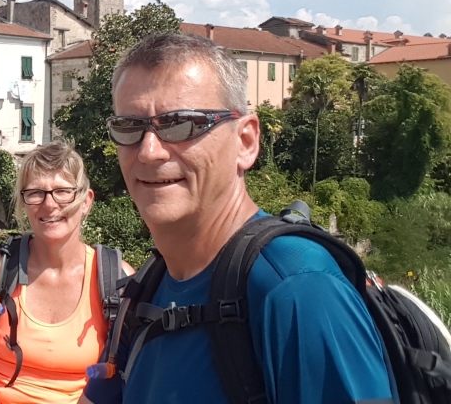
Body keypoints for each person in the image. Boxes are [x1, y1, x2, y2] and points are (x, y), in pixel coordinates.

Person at [84, 32, 393, 403]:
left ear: (245, 141)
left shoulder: (297, 287)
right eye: (130, 128)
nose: (149, 152)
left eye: (181, 124)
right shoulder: (148, 285)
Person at [0, 143, 133, 404]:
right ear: (24, 202)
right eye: (36, 193)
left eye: (62, 192)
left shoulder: (116, 279)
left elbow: (123, 378)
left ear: (86, 202)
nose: (49, 204)